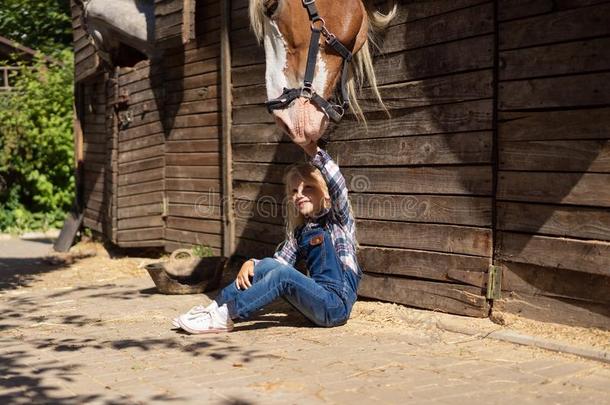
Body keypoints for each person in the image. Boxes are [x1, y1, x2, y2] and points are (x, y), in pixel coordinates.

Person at [173, 141, 362, 334]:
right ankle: (213, 309)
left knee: (283, 276)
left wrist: (312, 149)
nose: (299, 195)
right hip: (316, 299)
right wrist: (253, 263)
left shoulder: (338, 221)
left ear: (327, 195)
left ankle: (226, 315)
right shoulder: (300, 232)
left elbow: (338, 184)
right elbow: (278, 263)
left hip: (335, 306)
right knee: (267, 266)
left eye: (308, 188)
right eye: (294, 191)